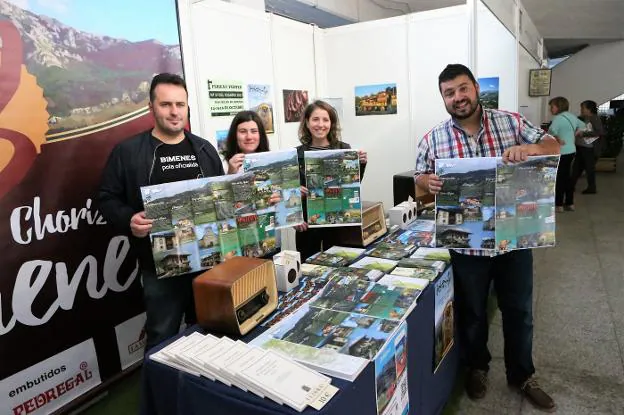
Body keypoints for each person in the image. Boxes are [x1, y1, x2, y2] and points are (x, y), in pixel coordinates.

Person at [414, 64, 559, 412]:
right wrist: (426, 183)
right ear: (443, 98)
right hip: (467, 244)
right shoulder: (433, 138)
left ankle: (522, 374)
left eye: (463, 89)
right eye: (450, 93)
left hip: (514, 238)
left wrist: (532, 150)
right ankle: (477, 367)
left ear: (476, 88)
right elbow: (418, 178)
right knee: (473, 312)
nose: (458, 98)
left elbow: (555, 144)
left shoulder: (510, 122)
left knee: (519, 311)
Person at [98, 73, 224, 351]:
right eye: (166, 104)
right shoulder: (128, 152)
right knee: (161, 337)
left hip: (207, 262)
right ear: (151, 108)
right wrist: (128, 219)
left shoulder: (204, 149)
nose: (174, 111)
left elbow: (220, 199)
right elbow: (106, 198)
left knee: (207, 333)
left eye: (180, 104)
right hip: (160, 268)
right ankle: (161, 395)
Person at [294, 100, 367, 260]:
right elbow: (289, 194)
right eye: (315, 119)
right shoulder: (296, 154)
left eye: (325, 120)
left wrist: (361, 164)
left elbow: (352, 185)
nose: (320, 124)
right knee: (307, 268)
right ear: (306, 122)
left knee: (341, 263)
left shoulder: (344, 148)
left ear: (331, 123)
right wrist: (294, 193)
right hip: (308, 225)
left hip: (338, 223)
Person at [548, 96, 585, 211]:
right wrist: (575, 133)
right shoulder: (572, 116)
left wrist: (557, 138)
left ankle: (559, 205)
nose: (550, 109)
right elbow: (584, 126)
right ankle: (570, 203)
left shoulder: (558, 119)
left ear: (558, 106)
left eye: (552, 106)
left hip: (561, 151)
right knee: (568, 177)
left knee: (559, 178)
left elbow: (550, 132)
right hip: (572, 150)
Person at [572, 100, 604, 194]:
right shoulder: (582, 118)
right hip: (581, 146)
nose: (581, 109)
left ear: (589, 109)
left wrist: (584, 133)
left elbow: (599, 132)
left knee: (588, 169)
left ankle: (591, 188)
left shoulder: (594, 118)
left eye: (583, 108)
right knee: (576, 168)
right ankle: (571, 186)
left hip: (589, 149)